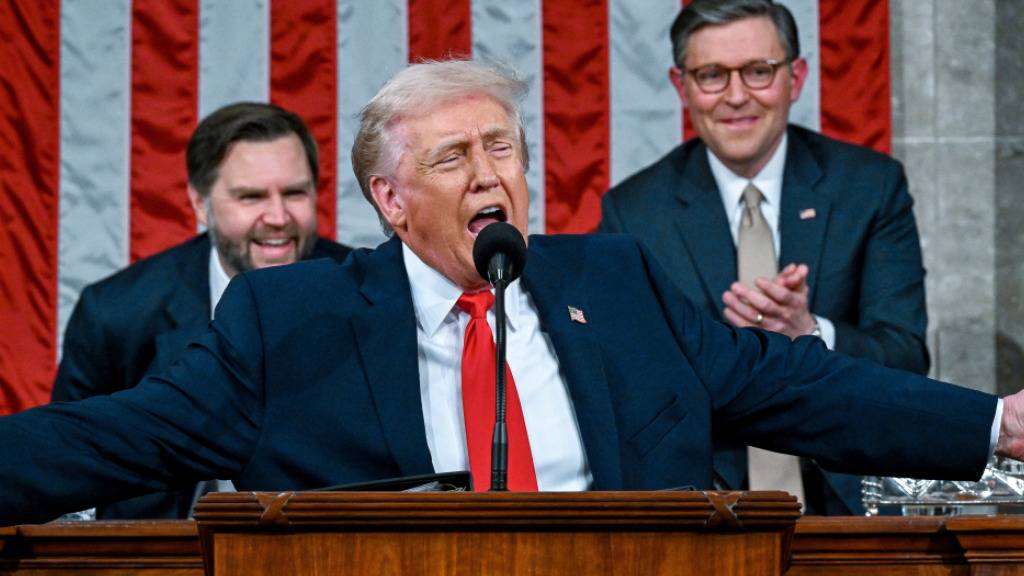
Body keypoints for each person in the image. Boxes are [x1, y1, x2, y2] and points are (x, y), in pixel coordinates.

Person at [0, 60, 1019, 527]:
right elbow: (114, 437)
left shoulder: (613, 283)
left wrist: (994, 426)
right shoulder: (293, 318)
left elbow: (799, 390)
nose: (493, 176)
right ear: (391, 202)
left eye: (506, 149)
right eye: (456, 157)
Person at [599, 0, 926, 515]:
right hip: (704, 504)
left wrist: (810, 333)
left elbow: (907, 355)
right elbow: (626, 383)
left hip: (848, 501)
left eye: (758, 71)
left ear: (795, 78)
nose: (735, 96)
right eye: (711, 75)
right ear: (681, 85)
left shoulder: (870, 187)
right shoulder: (634, 212)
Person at [50, 102, 352, 519]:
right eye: (251, 197)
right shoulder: (115, 313)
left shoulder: (367, 294)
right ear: (199, 202)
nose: (279, 217)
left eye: (295, 193)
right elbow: (68, 465)